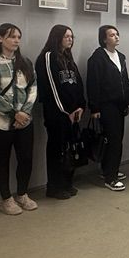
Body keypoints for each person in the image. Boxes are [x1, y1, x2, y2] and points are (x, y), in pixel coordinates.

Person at [0, 23, 38, 215]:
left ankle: (22, 194)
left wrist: (25, 112)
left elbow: (33, 88)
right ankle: (6, 199)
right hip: (0, 122)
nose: (16, 40)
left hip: (25, 121)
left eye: (18, 37)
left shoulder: (25, 62)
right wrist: (14, 113)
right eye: (12, 36)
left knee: (26, 158)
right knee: (2, 159)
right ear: (0, 38)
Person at [36, 24, 86, 199]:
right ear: (57, 38)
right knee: (57, 149)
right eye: (66, 36)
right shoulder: (48, 57)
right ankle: (54, 187)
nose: (70, 40)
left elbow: (78, 84)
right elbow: (51, 88)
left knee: (70, 149)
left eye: (72, 37)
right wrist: (65, 112)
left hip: (74, 114)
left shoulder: (68, 58)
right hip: (57, 114)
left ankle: (67, 183)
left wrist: (81, 106)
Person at [87, 24, 129, 191]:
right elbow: (93, 84)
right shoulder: (97, 58)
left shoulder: (121, 56)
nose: (116, 37)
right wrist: (94, 108)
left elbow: (124, 81)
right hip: (106, 105)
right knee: (112, 140)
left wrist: (128, 101)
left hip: (120, 104)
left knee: (117, 138)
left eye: (117, 34)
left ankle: (111, 169)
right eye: (112, 35)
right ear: (104, 39)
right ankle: (110, 178)